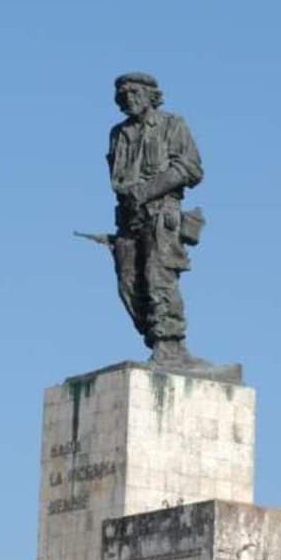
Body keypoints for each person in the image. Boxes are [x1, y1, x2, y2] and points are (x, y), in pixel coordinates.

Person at [107, 72, 204, 364]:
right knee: (128, 284)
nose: (128, 101)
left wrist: (147, 191)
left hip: (161, 214)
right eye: (123, 97)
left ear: (151, 96)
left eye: (134, 94)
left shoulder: (172, 124)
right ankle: (154, 338)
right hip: (128, 219)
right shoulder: (118, 133)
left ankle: (170, 343)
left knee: (158, 277)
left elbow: (191, 169)